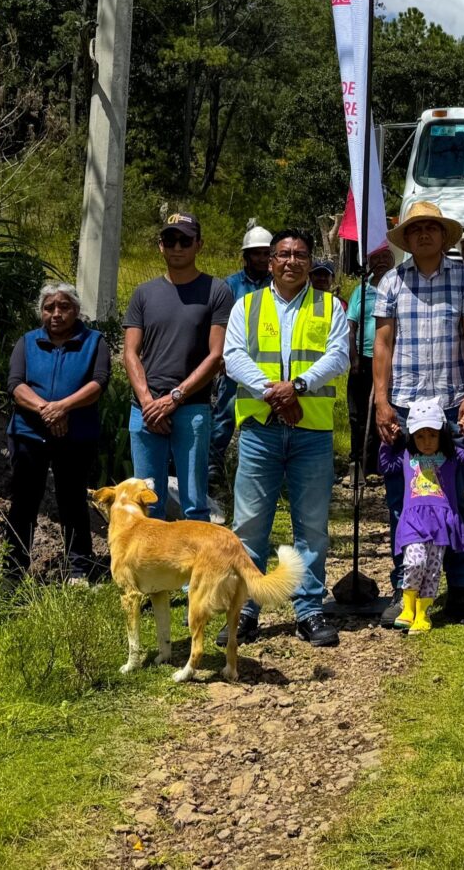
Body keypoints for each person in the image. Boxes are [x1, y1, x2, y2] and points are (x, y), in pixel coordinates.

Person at [221, 228, 350, 648]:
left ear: (310, 261)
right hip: (260, 429)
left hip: (311, 431)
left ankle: (309, 610)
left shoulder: (330, 306)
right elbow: (233, 356)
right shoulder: (247, 305)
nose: (291, 261)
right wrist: (271, 392)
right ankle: (245, 611)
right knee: (249, 525)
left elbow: (339, 356)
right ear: (270, 261)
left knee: (311, 525)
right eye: (283, 254)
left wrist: (298, 385)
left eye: (300, 254)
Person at [372, 201, 464, 627]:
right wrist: (381, 400)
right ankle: (405, 589)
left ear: (443, 236)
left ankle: (460, 590)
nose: (423, 235)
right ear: (408, 237)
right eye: (416, 228)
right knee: (401, 501)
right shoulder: (391, 281)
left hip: (453, 402)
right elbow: (381, 344)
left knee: (454, 498)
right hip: (403, 404)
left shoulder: (463, 277)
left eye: (431, 228)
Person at [123, 214, 233, 521]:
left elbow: (216, 356)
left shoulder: (217, 291)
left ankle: (197, 567)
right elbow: (130, 353)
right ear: (160, 246)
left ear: (199, 244)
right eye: (170, 240)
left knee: (195, 501)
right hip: (145, 409)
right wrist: (148, 403)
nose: (177, 247)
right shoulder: (144, 293)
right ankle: (151, 567)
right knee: (145, 502)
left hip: (191, 407)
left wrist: (174, 399)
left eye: (185, 240)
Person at [4, 281, 112, 584]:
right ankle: (12, 571)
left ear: (76, 310)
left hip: (76, 435)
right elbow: (15, 384)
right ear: (41, 312)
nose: (56, 313)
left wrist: (63, 407)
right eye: (49, 307)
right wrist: (47, 411)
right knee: (24, 501)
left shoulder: (94, 341)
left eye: (63, 306)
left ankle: (78, 570)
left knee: (73, 500)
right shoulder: (27, 342)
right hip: (29, 434)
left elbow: (99, 382)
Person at [379, 397, 464, 632]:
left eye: (433, 435)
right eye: (420, 436)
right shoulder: (407, 457)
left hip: (440, 525)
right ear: (411, 437)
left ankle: (423, 614)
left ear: (442, 434)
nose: (426, 442)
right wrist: (390, 441)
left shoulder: (451, 457)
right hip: (413, 523)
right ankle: (408, 607)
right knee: (414, 562)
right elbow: (385, 465)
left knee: (433, 571)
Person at [210, 222, 276, 491]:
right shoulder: (231, 286)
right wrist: (222, 358)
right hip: (235, 362)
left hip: (269, 362)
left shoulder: (279, 284)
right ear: (246, 256)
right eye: (256, 253)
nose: (261, 258)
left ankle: (269, 468)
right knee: (225, 411)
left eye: (265, 253)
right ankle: (214, 464)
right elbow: (220, 323)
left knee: (269, 413)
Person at [347, 246, 393, 479]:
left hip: (389, 362)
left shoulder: (398, 287)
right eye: (377, 258)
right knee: (358, 413)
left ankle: (379, 464)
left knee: (385, 411)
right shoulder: (361, 291)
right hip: (363, 361)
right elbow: (351, 326)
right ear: (369, 263)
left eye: (387, 257)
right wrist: (353, 358)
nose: (382, 262)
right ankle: (357, 462)